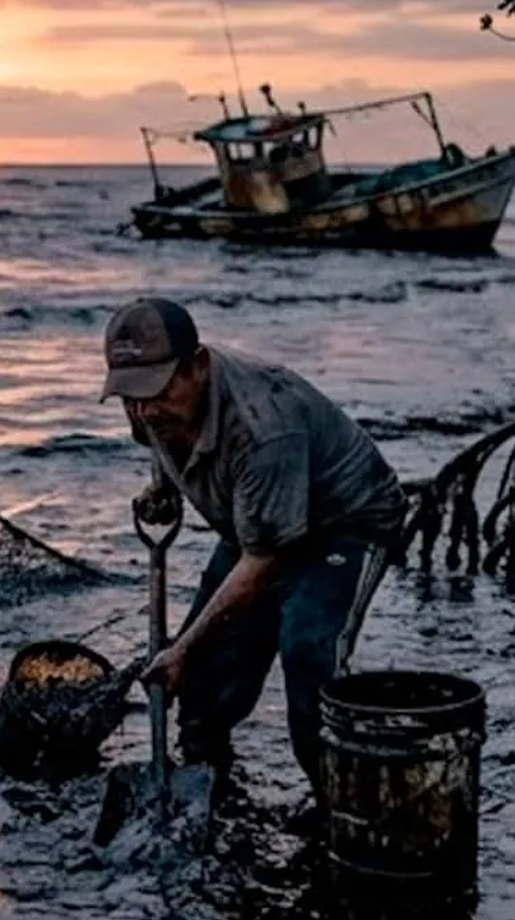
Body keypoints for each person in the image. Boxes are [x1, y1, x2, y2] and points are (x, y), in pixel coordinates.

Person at [99, 297, 405, 829]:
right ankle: (210, 782)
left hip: (345, 523)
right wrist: (162, 488)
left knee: (308, 652)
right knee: (204, 672)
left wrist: (181, 647)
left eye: (157, 393)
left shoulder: (264, 426)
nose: (145, 411)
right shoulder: (149, 408)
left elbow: (264, 561)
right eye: (131, 397)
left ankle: (338, 810)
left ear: (198, 366)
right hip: (259, 522)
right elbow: (160, 442)